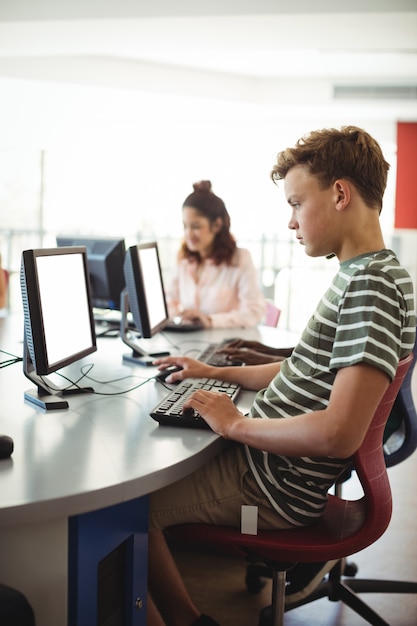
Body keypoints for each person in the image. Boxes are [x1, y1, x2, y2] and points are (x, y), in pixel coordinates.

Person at [147, 126, 416, 626]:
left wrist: (236, 425)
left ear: (339, 194)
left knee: (128, 508)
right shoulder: (362, 274)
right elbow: (303, 369)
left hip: (271, 485)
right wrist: (213, 372)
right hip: (267, 466)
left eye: (296, 203)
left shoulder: (370, 288)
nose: (290, 221)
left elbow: (339, 433)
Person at [165, 180, 266, 329]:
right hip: (189, 340)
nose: (188, 233)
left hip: (225, 342)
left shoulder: (240, 259)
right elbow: (169, 302)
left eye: (196, 226)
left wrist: (210, 321)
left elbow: (254, 312)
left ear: (217, 225)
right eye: (185, 226)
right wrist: (177, 318)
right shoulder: (184, 259)